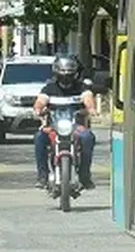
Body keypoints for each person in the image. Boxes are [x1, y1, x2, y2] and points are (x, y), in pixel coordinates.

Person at [32, 53, 96, 190]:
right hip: (53, 127)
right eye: (63, 72)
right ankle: (42, 176)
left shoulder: (81, 87)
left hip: (76, 127)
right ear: (56, 72)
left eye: (69, 72)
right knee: (39, 138)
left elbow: (88, 98)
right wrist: (38, 109)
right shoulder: (49, 88)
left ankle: (85, 175)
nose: (66, 75)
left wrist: (91, 109)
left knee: (88, 137)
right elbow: (40, 101)